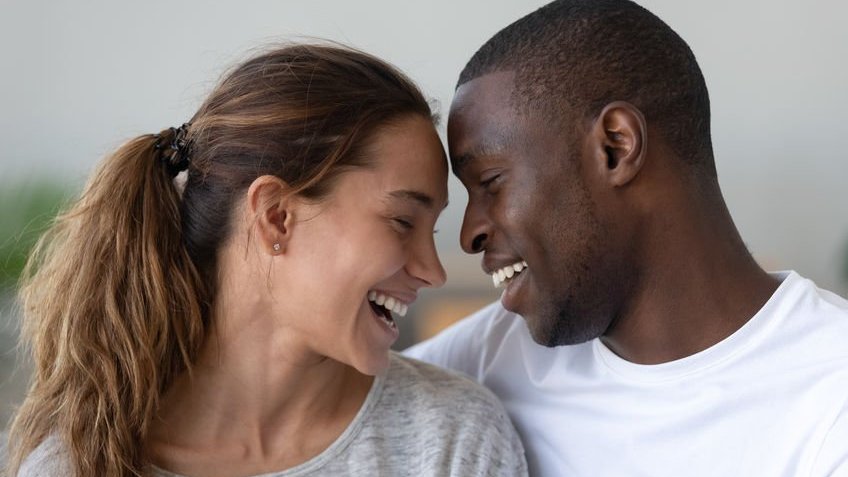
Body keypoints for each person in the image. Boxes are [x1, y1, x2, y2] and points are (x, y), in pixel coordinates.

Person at [6, 43, 527, 477]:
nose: (432, 271)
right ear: (276, 216)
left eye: (431, 229)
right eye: (402, 222)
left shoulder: (453, 441)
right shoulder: (78, 463)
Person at [406, 0, 848, 475]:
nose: (470, 233)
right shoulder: (484, 363)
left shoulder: (829, 394)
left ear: (615, 147)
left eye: (491, 182)